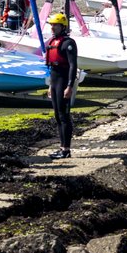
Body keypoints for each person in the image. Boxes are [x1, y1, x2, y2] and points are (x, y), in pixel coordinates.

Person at [44, 12, 78, 159]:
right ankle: (62, 147)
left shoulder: (68, 43)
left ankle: (66, 149)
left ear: (62, 26)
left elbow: (73, 66)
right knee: (58, 115)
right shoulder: (53, 41)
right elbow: (52, 69)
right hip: (55, 80)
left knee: (64, 116)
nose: (53, 28)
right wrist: (50, 85)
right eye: (51, 25)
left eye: (55, 25)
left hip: (64, 81)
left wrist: (69, 86)